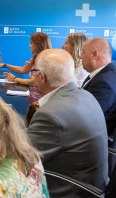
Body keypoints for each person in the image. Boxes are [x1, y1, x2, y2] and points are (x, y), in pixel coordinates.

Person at [27, 49, 108, 197]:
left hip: (66, 189)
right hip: (91, 185)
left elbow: (20, 157)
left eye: (34, 72)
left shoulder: (51, 115)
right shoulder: (86, 95)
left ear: (42, 77)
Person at [0, 32, 51, 103]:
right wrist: (5, 65)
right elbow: (22, 70)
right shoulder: (35, 58)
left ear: (39, 45)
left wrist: (14, 79)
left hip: (41, 100)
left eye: (31, 43)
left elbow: (34, 82)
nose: (29, 46)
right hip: (33, 95)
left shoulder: (45, 59)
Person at [81, 37, 116, 135]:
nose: (80, 56)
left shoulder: (104, 82)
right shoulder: (102, 75)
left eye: (83, 52)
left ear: (95, 54)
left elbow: (86, 117)